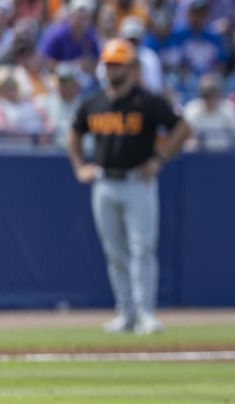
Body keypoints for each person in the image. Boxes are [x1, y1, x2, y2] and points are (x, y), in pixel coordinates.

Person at [66, 38, 191, 335]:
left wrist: (159, 158)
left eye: (117, 64)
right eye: (109, 63)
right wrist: (79, 166)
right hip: (105, 181)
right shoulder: (94, 101)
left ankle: (145, 313)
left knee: (142, 248)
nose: (112, 69)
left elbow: (183, 127)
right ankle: (126, 312)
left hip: (137, 181)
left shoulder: (146, 101)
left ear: (131, 67)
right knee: (114, 251)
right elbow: (73, 132)